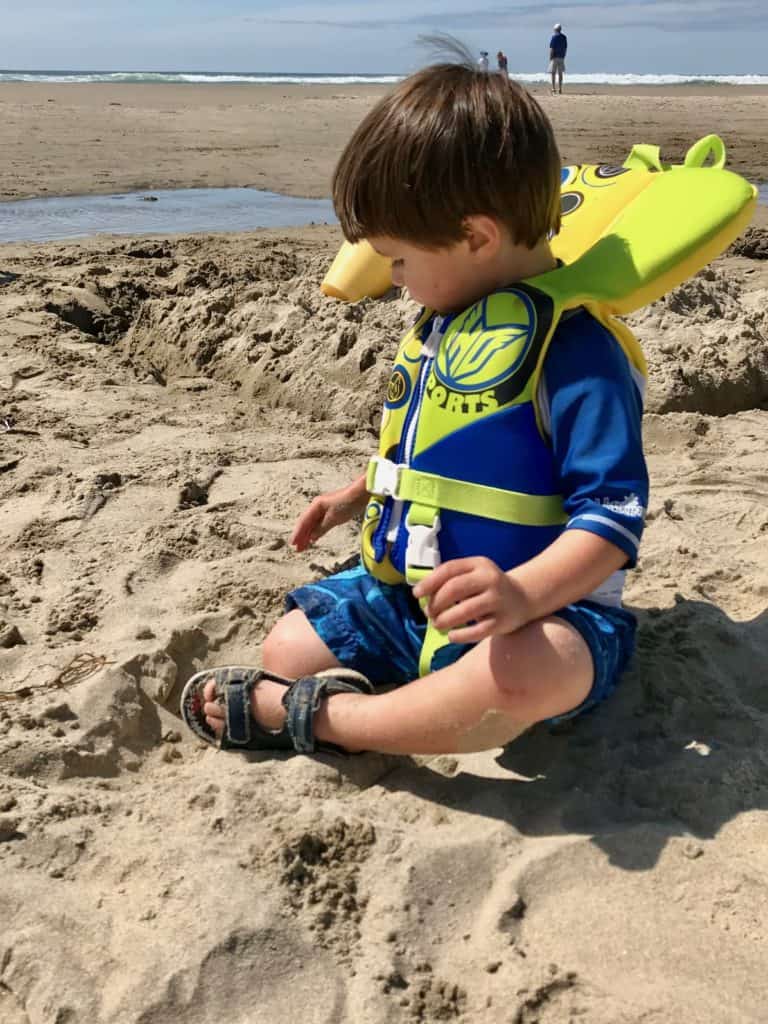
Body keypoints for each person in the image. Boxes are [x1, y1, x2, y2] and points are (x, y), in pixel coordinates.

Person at [181, 61, 646, 758]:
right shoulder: (449, 326)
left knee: (521, 675)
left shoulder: (576, 354)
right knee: (288, 643)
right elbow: (434, 449)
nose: (394, 281)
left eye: (398, 260)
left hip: (544, 610)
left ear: (478, 237)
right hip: (417, 595)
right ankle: (374, 705)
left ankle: (336, 722)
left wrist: (521, 595)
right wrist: (355, 493)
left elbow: (612, 520)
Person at [549, 23, 567, 94]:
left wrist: (550, 57)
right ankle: (560, 89)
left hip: (555, 57)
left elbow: (552, 48)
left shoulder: (554, 37)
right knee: (560, 74)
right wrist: (564, 55)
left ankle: (553, 88)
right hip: (561, 57)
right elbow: (565, 48)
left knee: (553, 73)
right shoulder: (564, 37)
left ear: (555, 30)